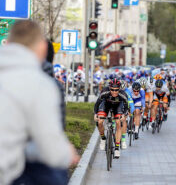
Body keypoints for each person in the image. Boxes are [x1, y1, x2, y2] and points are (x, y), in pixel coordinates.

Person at [0, 20, 79, 185]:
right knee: (53, 172)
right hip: (6, 173)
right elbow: (50, 147)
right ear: (42, 48)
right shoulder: (39, 83)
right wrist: (68, 153)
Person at [94, 78, 128, 158]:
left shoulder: (123, 94)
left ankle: (116, 148)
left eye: (116, 90)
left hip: (118, 107)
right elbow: (97, 104)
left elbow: (126, 107)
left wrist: (124, 115)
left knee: (118, 123)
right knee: (99, 121)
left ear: (119, 89)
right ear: (109, 88)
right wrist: (95, 114)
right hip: (106, 105)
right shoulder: (105, 92)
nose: (114, 92)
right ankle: (103, 138)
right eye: (112, 90)